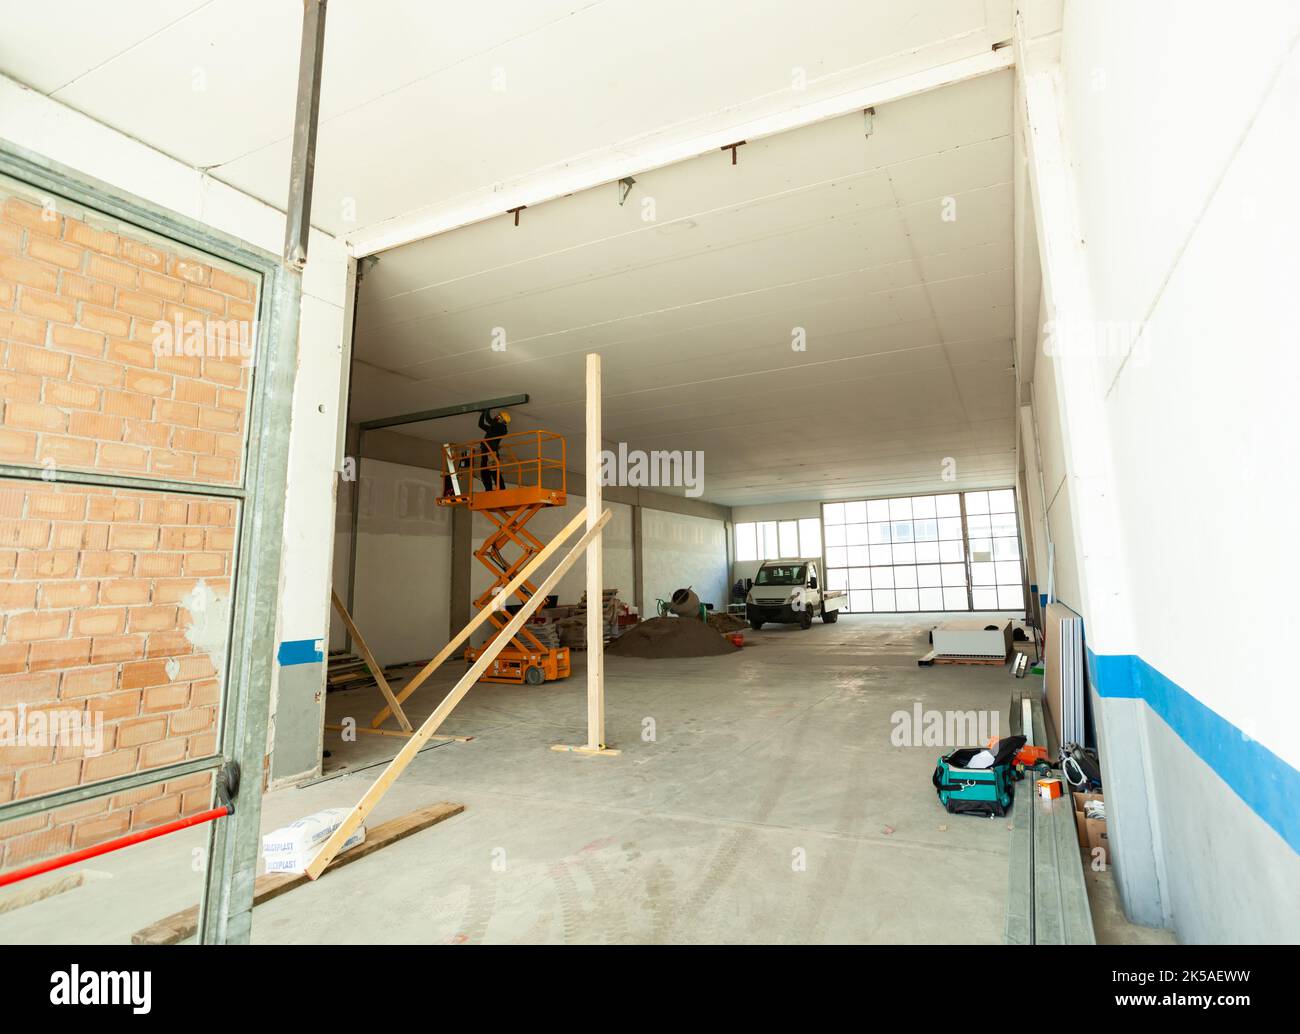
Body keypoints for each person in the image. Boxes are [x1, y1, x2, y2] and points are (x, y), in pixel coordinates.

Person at [477, 408, 511, 490]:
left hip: (491, 453)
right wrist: (483, 413)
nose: (497, 417)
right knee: (485, 472)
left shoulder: (501, 428)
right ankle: (489, 489)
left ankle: (501, 488)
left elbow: (489, 420)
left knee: (493, 472)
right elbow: (481, 425)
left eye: (499, 416)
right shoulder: (494, 428)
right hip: (486, 452)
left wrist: (487, 410)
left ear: (501, 419)